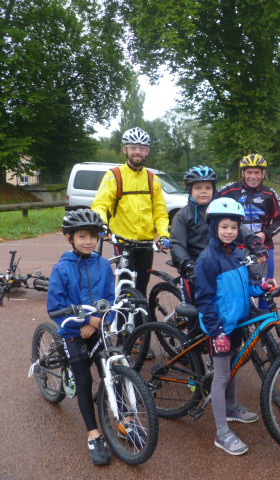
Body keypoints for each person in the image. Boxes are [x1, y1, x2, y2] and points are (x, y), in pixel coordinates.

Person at [194, 197, 275, 456]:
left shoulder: (239, 254)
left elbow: (244, 288)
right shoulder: (207, 260)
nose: (229, 231)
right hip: (219, 326)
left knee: (233, 367)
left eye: (233, 227)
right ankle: (221, 432)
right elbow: (204, 301)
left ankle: (232, 407)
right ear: (214, 228)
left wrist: (260, 287)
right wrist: (217, 332)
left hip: (237, 320)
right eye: (224, 227)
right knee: (220, 376)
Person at [47, 209, 116, 465]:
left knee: (111, 369)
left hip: (99, 327)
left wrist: (102, 320)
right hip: (73, 330)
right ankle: (94, 433)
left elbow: (110, 296)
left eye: (93, 237)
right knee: (85, 380)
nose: (89, 241)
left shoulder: (103, 264)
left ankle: (126, 418)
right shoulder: (62, 268)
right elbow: (55, 306)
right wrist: (86, 321)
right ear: (70, 238)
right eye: (82, 236)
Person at [170, 165, 267, 303]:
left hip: (222, 263)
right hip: (196, 268)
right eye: (198, 188)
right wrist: (186, 264)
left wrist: (255, 242)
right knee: (198, 312)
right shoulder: (182, 215)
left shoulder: (220, 210)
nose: (203, 192)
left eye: (208, 188)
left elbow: (239, 228)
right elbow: (177, 243)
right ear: (190, 190)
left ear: (213, 190)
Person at [92, 127, 169, 297]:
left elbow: (160, 212)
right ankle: (120, 321)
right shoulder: (115, 176)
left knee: (141, 286)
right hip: (123, 242)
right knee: (125, 286)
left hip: (146, 244)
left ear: (147, 152)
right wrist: (102, 224)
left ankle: (141, 322)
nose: (137, 151)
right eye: (133, 147)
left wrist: (164, 234)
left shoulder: (152, 179)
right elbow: (100, 204)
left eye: (142, 148)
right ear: (125, 149)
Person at [216, 154, 280, 305]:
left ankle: (264, 325)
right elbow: (209, 206)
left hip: (263, 247)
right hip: (236, 247)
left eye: (257, 172)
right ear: (243, 173)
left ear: (263, 174)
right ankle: (243, 324)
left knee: (265, 286)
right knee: (238, 287)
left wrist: (264, 234)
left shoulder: (270, 193)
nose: (253, 176)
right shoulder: (228, 190)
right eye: (249, 172)